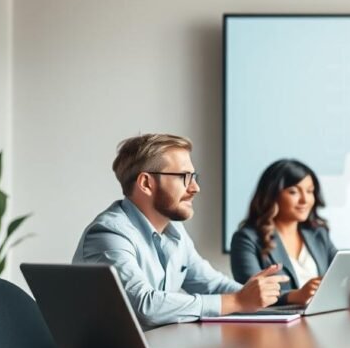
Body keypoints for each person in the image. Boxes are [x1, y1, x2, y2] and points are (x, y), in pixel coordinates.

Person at [74, 134, 288, 330]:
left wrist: (275, 297)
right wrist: (237, 301)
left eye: (194, 177)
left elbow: (212, 285)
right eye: (184, 177)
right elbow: (144, 306)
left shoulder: (174, 230)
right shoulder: (109, 234)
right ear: (146, 183)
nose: (195, 188)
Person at [230, 159, 350, 307]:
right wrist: (296, 295)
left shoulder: (318, 234)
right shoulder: (247, 238)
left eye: (310, 191)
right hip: (276, 328)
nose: (305, 200)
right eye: (294, 192)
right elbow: (248, 294)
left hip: (321, 319)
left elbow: (340, 277)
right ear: (272, 195)